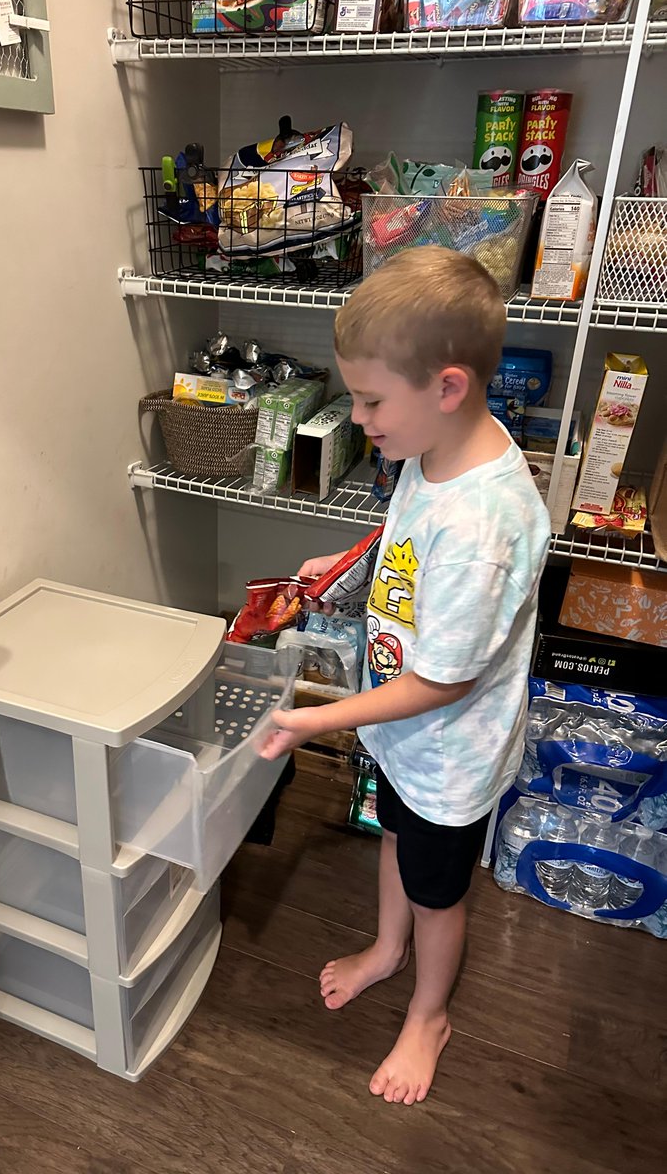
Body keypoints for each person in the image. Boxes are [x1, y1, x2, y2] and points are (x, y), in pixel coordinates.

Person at [261, 246, 551, 1106]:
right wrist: (355, 562)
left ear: (448, 387)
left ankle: (429, 1014)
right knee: (394, 833)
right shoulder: (435, 451)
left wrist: (320, 718)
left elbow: (448, 680)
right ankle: (386, 952)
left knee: (437, 891)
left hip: (448, 746)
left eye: (371, 399)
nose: (360, 417)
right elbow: (412, 557)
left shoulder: (486, 524)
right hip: (405, 736)